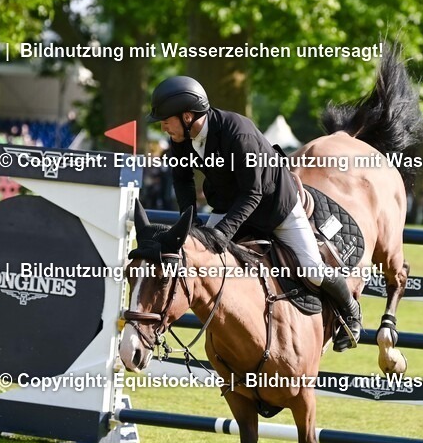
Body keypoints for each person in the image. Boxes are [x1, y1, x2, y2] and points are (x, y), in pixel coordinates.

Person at [148, 76, 361, 351]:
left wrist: (222, 233)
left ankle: (351, 312)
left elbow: (254, 192)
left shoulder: (239, 134)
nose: (163, 127)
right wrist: (190, 222)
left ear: (187, 116)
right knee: (197, 261)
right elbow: (182, 180)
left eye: (165, 120)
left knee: (312, 269)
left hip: (275, 208)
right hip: (229, 207)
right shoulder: (182, 138)